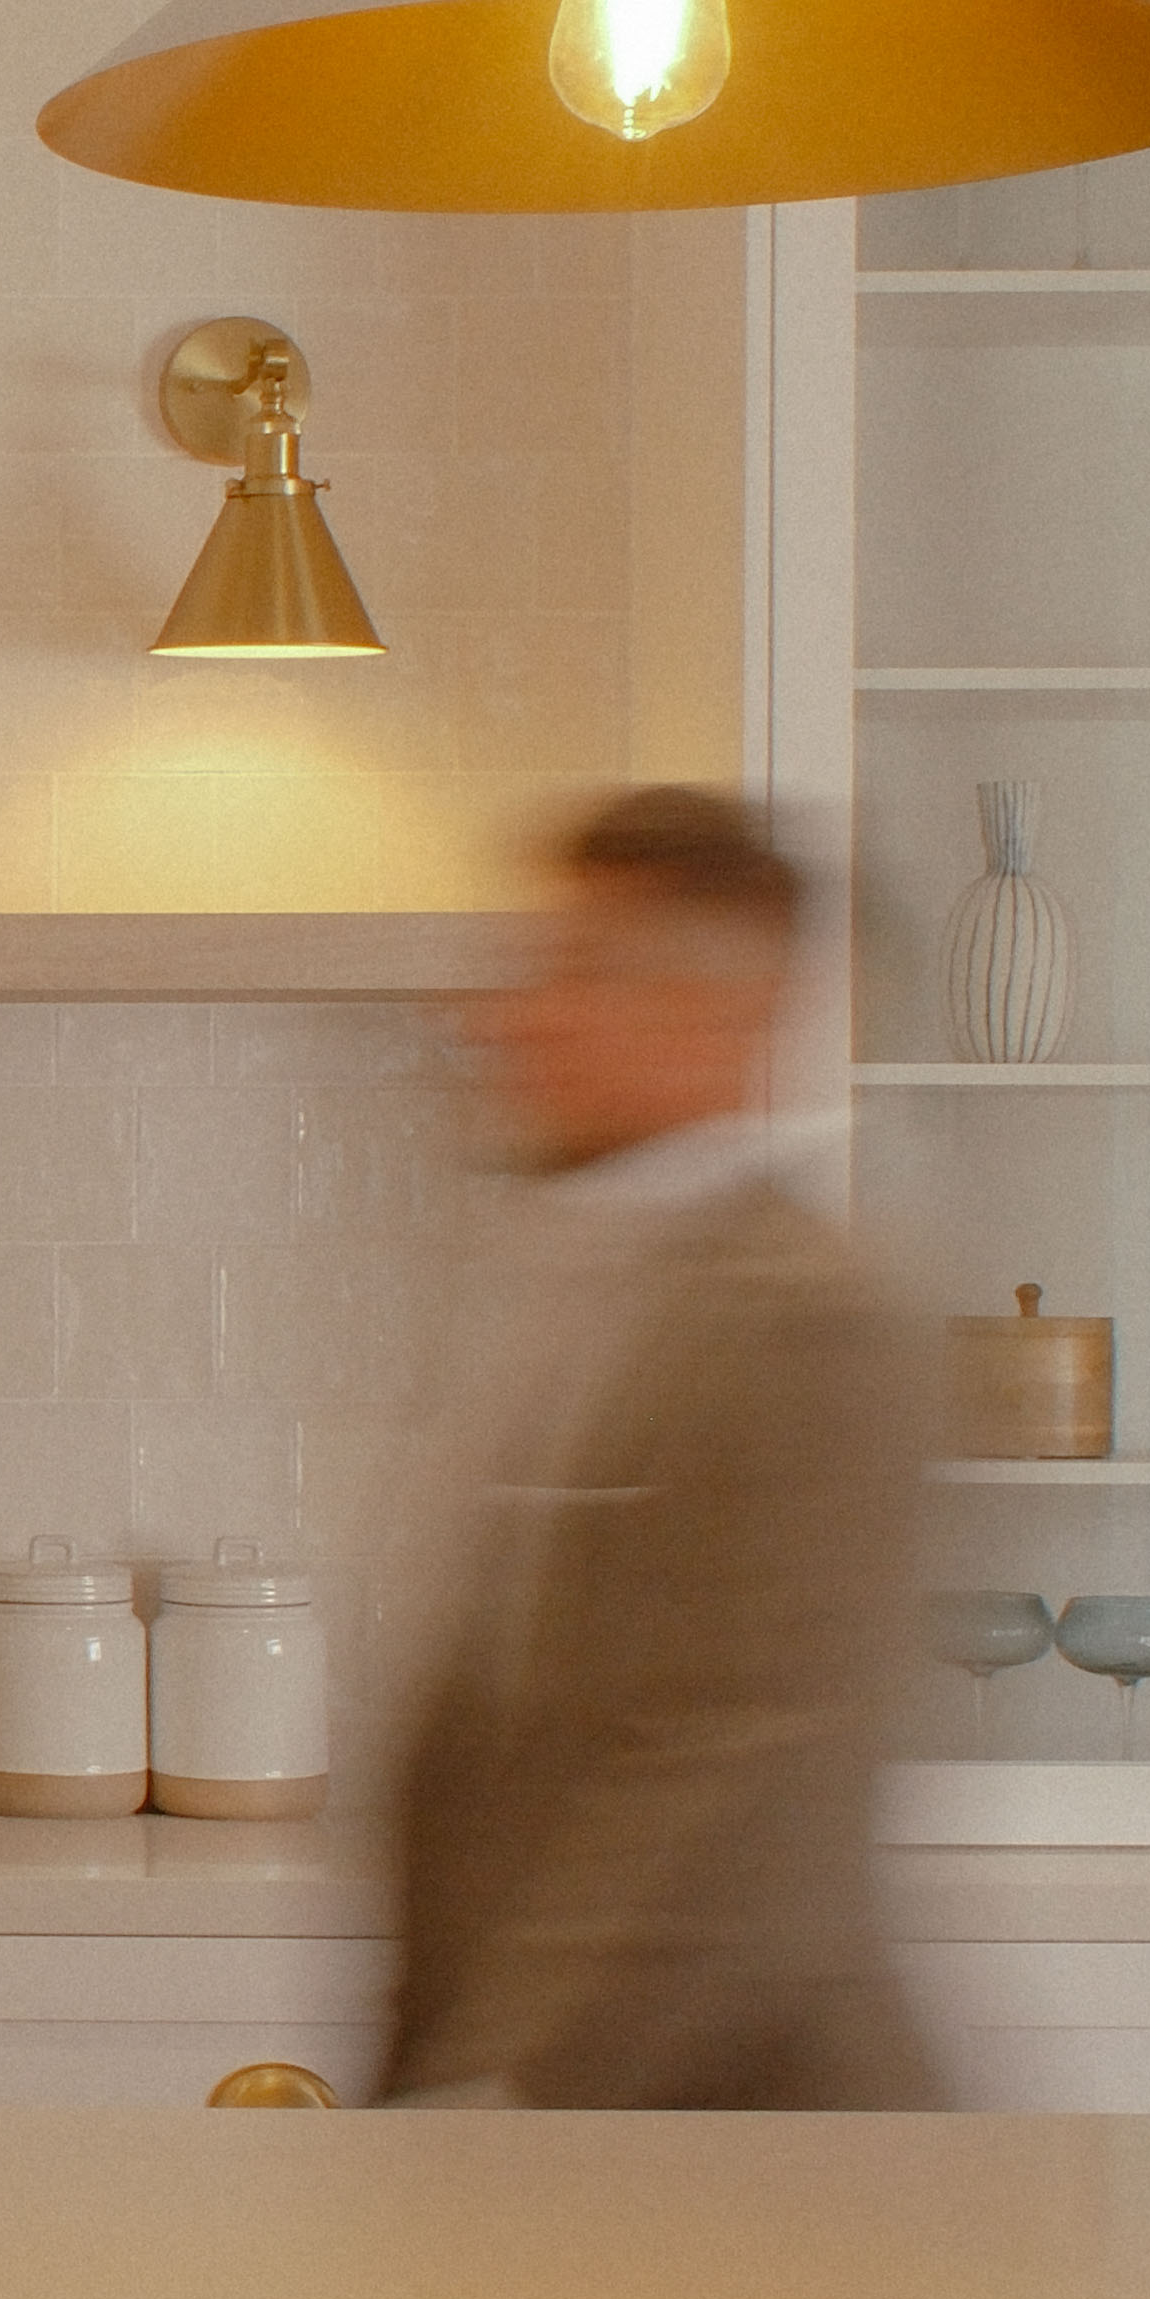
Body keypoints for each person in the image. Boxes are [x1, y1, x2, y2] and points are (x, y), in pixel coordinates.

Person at [375, 786, 940, 2110]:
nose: (503, 1019)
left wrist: (505, 2096)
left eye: (573, 972)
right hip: (556, 2136)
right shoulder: (567, 1276)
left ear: (725, 1011)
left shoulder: (810, 1322)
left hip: (729, 2145)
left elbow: (741, 1767)